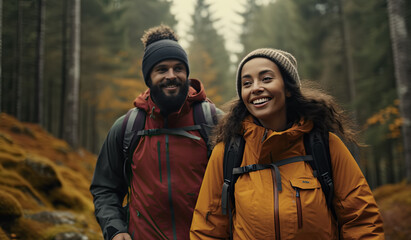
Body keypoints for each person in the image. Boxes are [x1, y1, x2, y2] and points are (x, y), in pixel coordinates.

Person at [190, 48, 384, 239]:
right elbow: (207, 229)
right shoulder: (228, 152)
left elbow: (361, 220)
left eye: (266, 79)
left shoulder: (323, 145)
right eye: (247, 83)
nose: (256, 88)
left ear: (288, 89)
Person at [90, 25, 221, 240]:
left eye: (179, 68)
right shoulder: (127, 128)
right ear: (148, 78)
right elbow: (105, 189)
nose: (172, 75)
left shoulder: (213, 122)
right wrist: (115, 229)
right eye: (162, 69)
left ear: (187, 73)